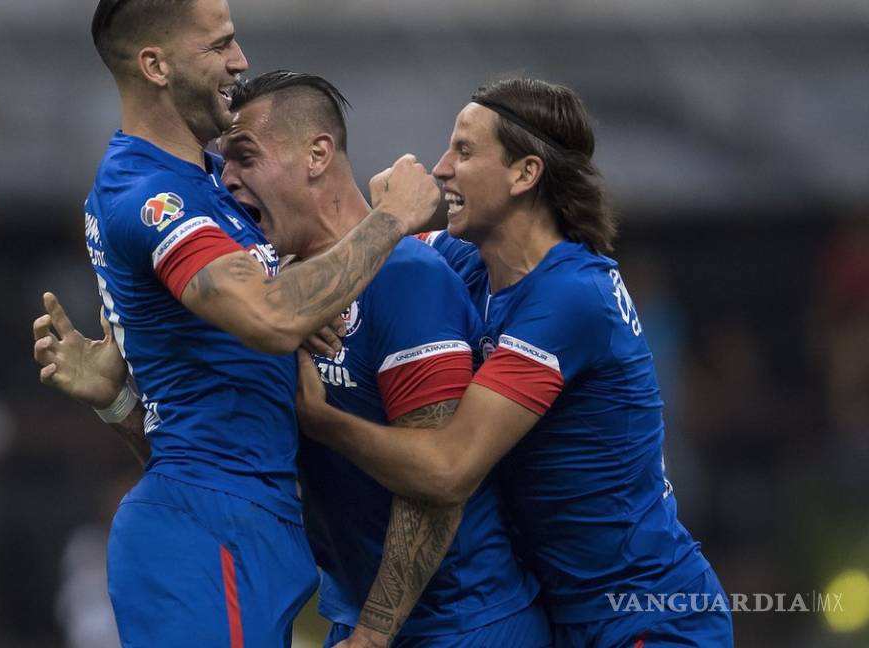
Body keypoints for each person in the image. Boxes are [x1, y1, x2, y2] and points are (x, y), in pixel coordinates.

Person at [38, 71, 551, 647]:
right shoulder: (275, 310)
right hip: (357, 618)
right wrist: (117, 401)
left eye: (246, 157)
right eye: (222, 161)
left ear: (316, 155)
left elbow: (438, 490)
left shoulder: (405, 276)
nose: (226, 180)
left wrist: (376, 632)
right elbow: (226, 470)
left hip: (462, 622)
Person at [296, 79, 734, 647]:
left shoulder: (571, 298)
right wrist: (319, 284)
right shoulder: (471, 261)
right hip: (563, 614)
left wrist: (322, 420)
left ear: (526, 174)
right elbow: (367, 253)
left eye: (464, 151)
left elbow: (450, 469)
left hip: (647, 617)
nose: (441, 168)